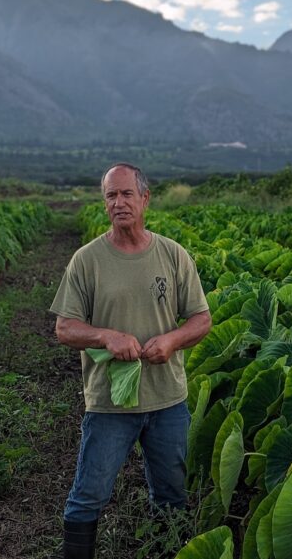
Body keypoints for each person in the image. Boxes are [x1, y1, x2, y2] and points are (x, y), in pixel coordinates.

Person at [50, 163, 213, 559]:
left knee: (172, 493)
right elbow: (65, 328)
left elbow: (201, 320)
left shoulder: (173, 255)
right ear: (104, 203)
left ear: (145, 199)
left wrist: (172, 341)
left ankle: (166, 549)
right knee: (89, 494)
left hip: (167, 400)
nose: (118, 203)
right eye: (110, 196)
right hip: (111, 402)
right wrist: (105, 335)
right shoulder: (87, 260)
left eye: (126, 194)